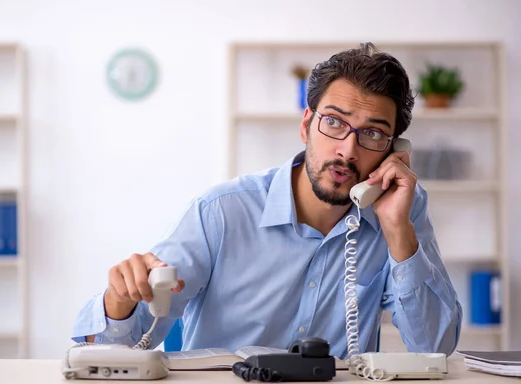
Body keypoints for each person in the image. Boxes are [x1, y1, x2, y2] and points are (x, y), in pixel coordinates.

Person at [71, 42, 462, 360]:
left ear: (394, 149)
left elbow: (436, 349)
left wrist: (397, 231)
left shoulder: (400, 210)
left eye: (373, 134)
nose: (347, 150)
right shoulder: (221, 212)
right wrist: (119, 300)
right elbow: (111, 351)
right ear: (307, 124)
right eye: (334, 123)